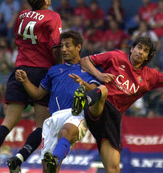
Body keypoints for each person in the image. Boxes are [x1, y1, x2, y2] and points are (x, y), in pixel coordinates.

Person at [74, 36, 163, 172]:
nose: (141, 52)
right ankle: (84, 100)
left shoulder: (151, 76)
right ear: (132, 48)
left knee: (114, 168)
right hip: (98, 105)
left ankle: (87, 99)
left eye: (146, 50)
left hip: (112, 118)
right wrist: (99, 75)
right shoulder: (116, 56)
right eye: (139, 47)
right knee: (103, 90)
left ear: (148, 56)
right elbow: (85, 61)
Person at [0, 0, 62, 173]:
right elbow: (56, 47)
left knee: (8, 122)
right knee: (42, 126)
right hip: (42, 72)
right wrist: (60, 68)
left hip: (20, 70)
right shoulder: (53, 16)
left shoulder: (22, 15)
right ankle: (19, 157)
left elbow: (19, 38)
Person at [13, 30, 102, 173]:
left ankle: (55, 158)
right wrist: (25, 81)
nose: (64, 50)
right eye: (62, 46)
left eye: (68, 46)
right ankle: (54, 161)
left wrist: (83, 84)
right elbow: (37, 94)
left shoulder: (89, 69)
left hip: (77, 114)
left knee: (65, 132)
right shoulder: (54, 70)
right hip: (53, 119)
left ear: (78, 47)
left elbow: (96, 90)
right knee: (48, 171)